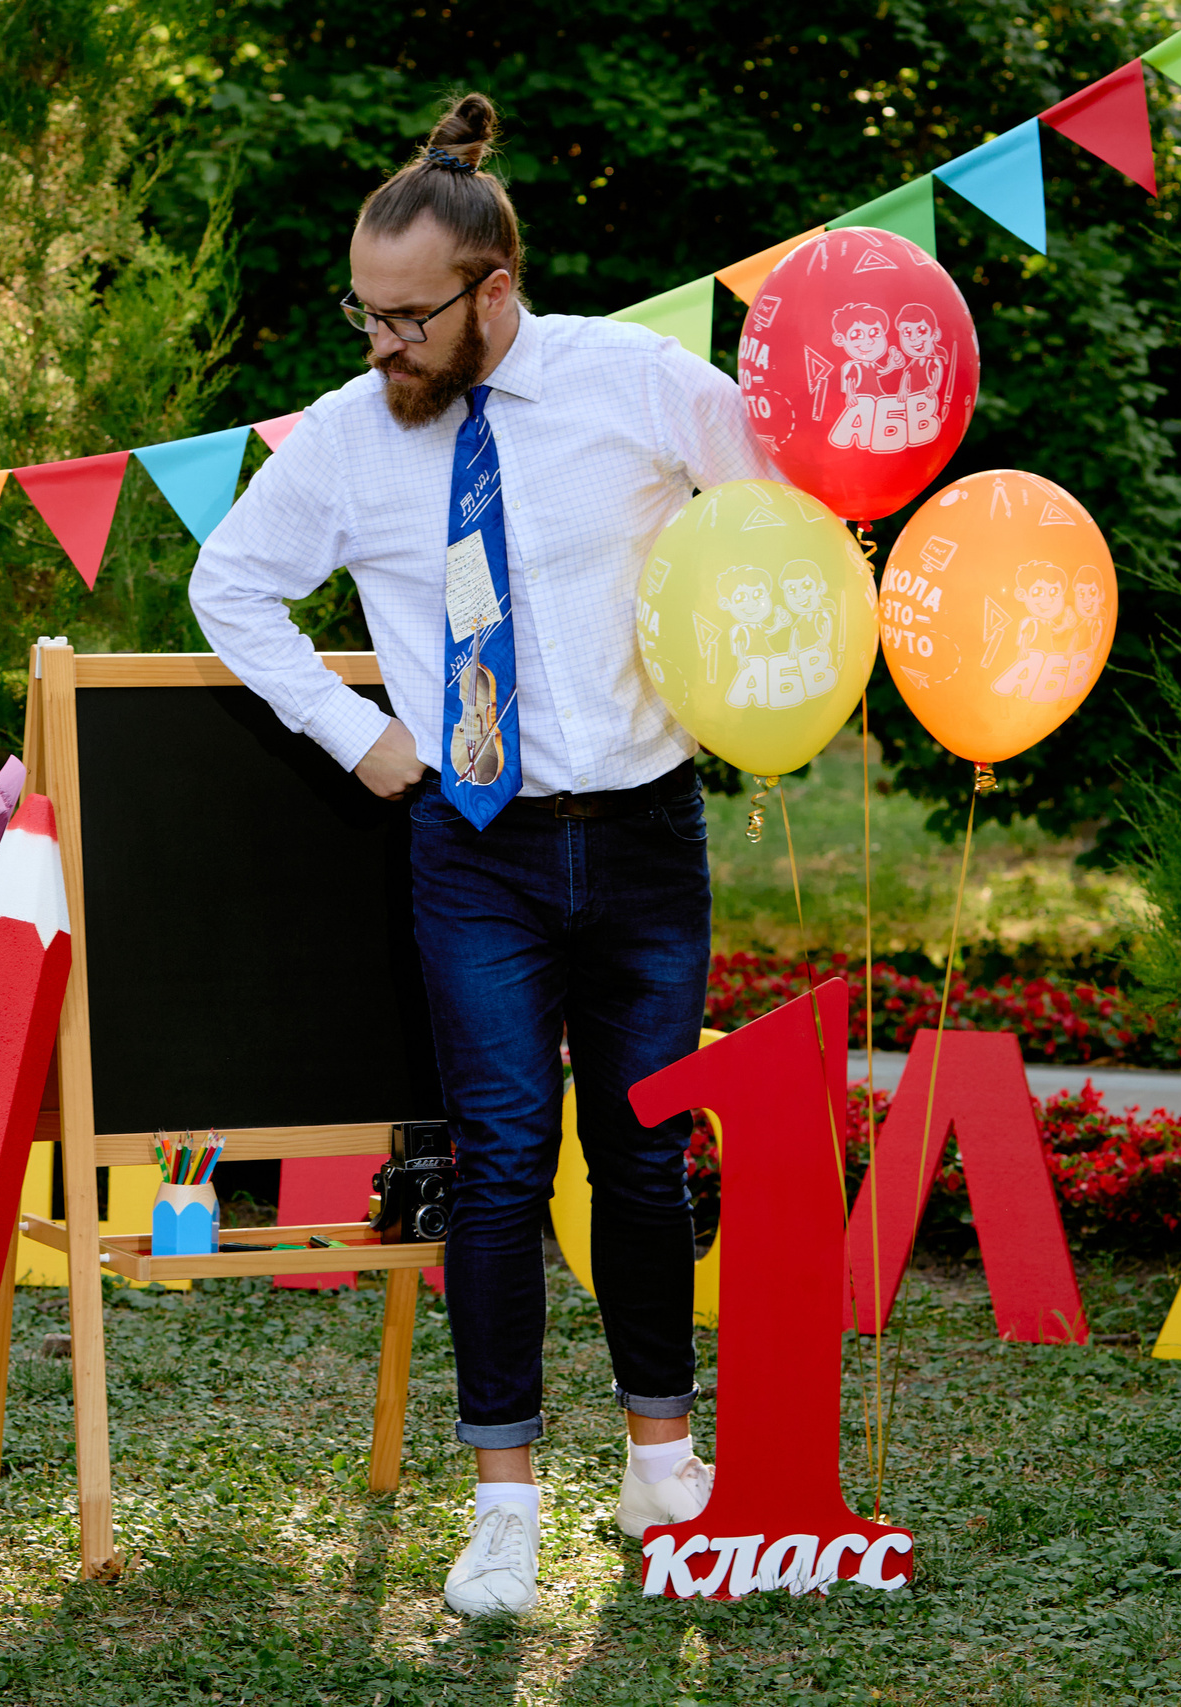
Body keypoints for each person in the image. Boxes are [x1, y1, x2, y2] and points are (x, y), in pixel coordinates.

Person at [188, 93, 776, 1617]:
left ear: (492, 287)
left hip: (648, 830)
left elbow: (779, 504)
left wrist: (754, 665)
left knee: (644, 1152)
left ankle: (663, 1459)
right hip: (476, 845)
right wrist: (352, 731)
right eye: (364, 312)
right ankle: (503, 1500)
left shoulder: (636, 381)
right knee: (502, 1159)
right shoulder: (344, 434)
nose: (379, 341)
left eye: (405, 316)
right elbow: (229, 584)